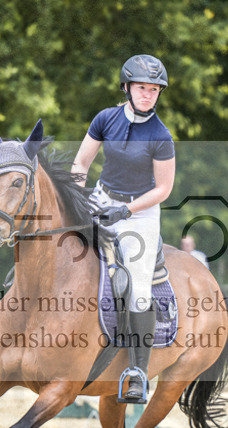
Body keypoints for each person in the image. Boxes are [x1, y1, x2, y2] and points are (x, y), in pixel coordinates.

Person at [72, 54, 175, 403]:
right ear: (127, 87)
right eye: (142, 88)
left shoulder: (161, 135)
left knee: (138, 290)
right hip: (101, 199)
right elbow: (82, 162)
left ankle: (137, 373)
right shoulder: (105, 119)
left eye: (154, 90)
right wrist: (76, 196)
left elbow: (164, 189)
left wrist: (126, 210)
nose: (148, 95)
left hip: (139, 213)